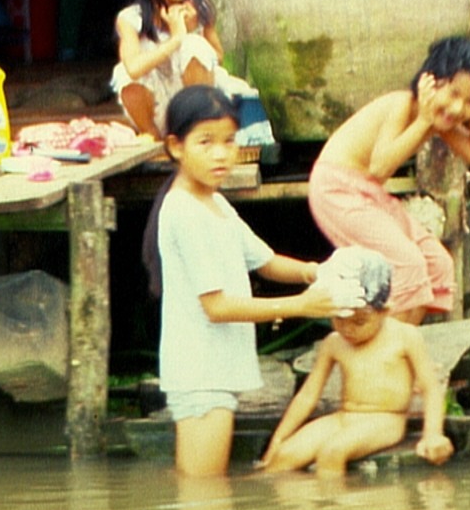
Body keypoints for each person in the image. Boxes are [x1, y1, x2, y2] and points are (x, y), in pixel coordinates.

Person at [145, 84, 341, 476]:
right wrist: (301, 305)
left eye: (229, 141)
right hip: (200, 374)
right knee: (204, 497)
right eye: (206, 142)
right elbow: (216, 307)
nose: (221, 154)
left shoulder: (214, 203)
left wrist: (313, 271)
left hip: (213, 371)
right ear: (175, 147)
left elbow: (265, 261)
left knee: (204, 494)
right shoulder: (184, 210)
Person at [308, 36, 470, 324]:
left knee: (437, 264)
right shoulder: (402, 104)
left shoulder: (441, 119)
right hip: (336, 189)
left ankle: (401, 346)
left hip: (369, 193)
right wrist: (423, 119)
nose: (458, 108)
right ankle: (381, 356)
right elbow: (380, 167)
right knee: (407, 263)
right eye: (454, 94)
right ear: (430, 83)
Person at [258, 248, 453, 474]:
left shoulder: (406, 336)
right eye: (339, 319)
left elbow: (431, 388)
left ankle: (338, 509)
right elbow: (307, 396)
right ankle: (297, 508)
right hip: (344, 417)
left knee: (332, 452)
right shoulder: (334, 342)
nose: (348, 329)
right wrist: (277, 441)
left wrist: (433, 435)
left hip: (386, 419)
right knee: (282, 458)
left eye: (359, 321)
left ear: (384, 311)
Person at [114, 0, 222, 138]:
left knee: (194, 45)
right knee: (123, 74)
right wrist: (176, 38)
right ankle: (154, 138)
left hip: (197, 101)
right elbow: (133, 68)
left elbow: (218, 56)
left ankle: (197, 131)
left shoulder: (199, 8)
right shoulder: (130, 19)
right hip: (157, 106)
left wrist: (191, 34)